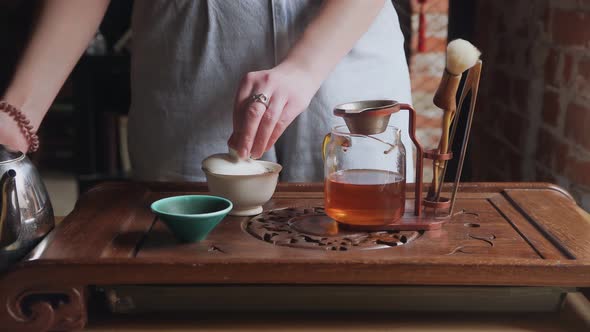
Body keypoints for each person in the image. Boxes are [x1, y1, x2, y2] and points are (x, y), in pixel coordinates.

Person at [0, 0, 413, 182]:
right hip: (190, 62)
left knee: (361, 264)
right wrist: (19, 115)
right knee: (189, 271)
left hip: (348, 63)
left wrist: (306, 67)